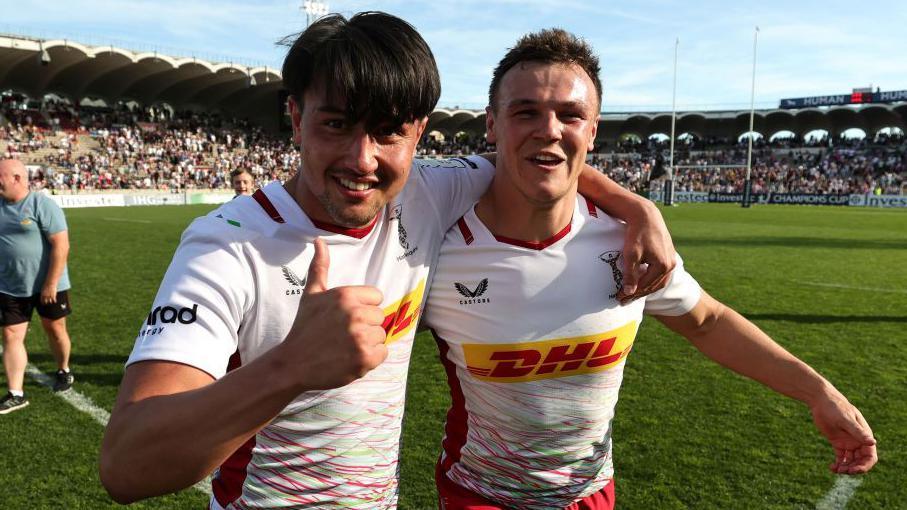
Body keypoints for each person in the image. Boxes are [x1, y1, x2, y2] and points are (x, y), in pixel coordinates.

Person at [99, 12, 677, 509]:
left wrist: (637, 206)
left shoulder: (428, 192)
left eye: (388, 131)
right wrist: (289, 367)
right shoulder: (226, 246)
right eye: (336, 124)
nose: (362, 158)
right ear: (296, 118)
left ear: (418, 134)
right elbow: (126, 465)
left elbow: (543, 163)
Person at [423, 29, 878, 510]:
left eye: (571, 115)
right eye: (526, 111)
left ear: (593, 132)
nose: (550, 129)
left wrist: (819, 393)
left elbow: (708, 322)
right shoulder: (439, 248)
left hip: (592, 493)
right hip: (481, 494)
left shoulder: (631, 243)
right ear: (492, 125)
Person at [0, 159, 75, 415]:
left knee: (54, 329)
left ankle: (63, 369)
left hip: (48, 284)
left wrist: (51, 283)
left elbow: (61, 245)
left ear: (17, 178)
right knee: (11, 334)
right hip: (10, 285)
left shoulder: (42, 205)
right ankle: (15, 393)